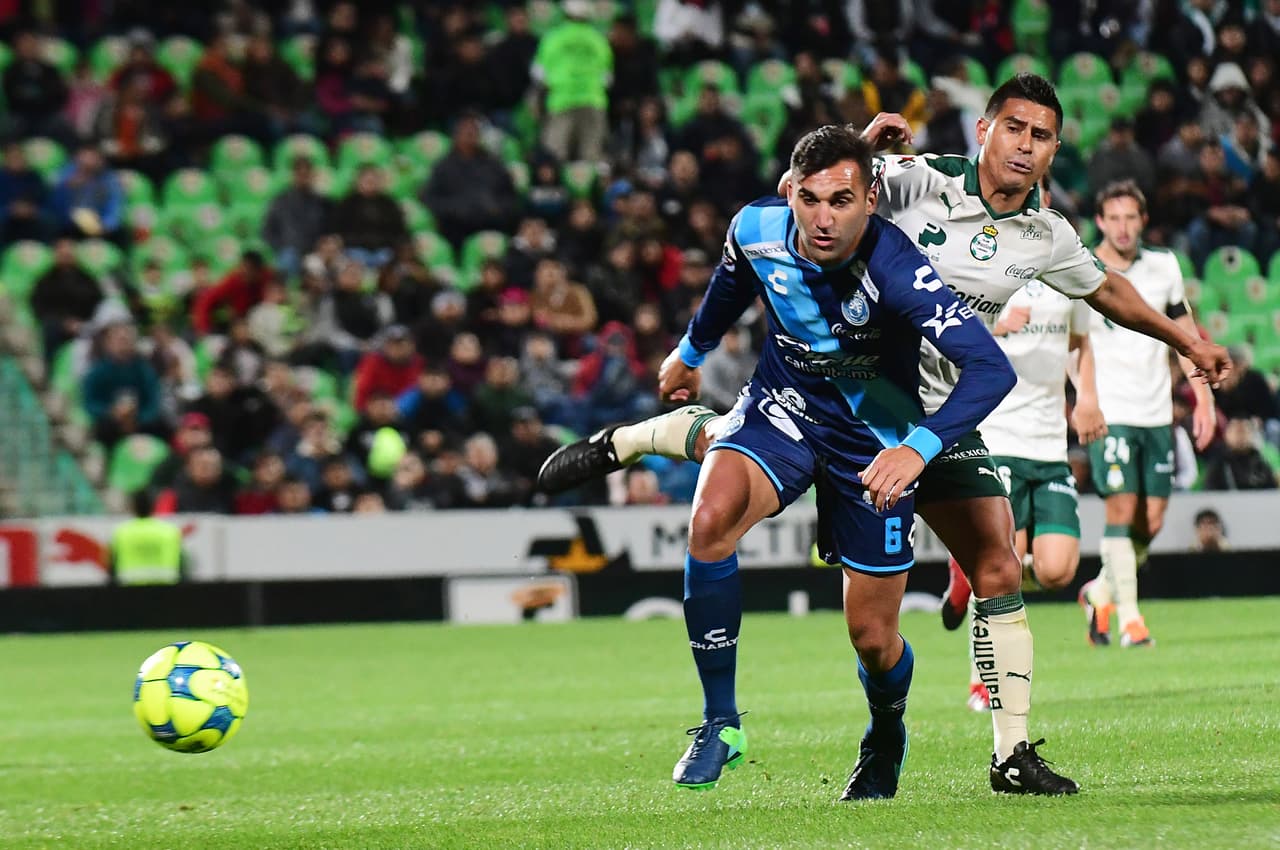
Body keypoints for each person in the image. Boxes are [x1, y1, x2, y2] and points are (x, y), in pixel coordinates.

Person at [539, 74, 1231, 794]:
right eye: (1014, 128)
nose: (1025, 146)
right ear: (983, 131)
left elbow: (1107, 292)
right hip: (835, 393)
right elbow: (798, 196)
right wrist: (860, 150)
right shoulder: (916, 178)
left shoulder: (1046, 236)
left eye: (1042, 135)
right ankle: (650, 450)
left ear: (1056, 149)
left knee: (979, 576)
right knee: (724, 491)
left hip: (936, 417)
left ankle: (1009, 754)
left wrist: (1186, 341)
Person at [572, 123, 1021, 799]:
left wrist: (917, 448)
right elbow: (732, 280)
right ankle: (720, 723)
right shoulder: (756, 227)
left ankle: (886, 731)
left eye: (841, 201)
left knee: (873, 638)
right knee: (709, 520)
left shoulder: (896, 267)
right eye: (809, 199)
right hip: (783, 408)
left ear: (871, 199)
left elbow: (991, 369)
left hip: (874, 442)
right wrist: (689, 353)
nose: (822, 219)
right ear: (790, 192)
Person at [1078, 180, 1217, 649]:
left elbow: (1186, 338)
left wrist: (1204, 400)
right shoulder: (1082, 268)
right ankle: (1131, 622)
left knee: (1150, 521)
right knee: (1120, 509)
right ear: (1100, 222)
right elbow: (1073, 342)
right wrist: (1083, 399)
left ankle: (1099, 592)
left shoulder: (1163, 266)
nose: (1122, 227)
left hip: (1156, 412)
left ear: (1143, 221)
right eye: (1113, 218)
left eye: (1130, 218)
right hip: (1110, 411)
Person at [108, 490, 186, 585]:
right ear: (154, 506)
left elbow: (112, 567)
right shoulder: (170, 531)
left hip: (130, 586)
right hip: (165, 585)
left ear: (133, 507)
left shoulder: (121, 532)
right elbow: (182, 565)